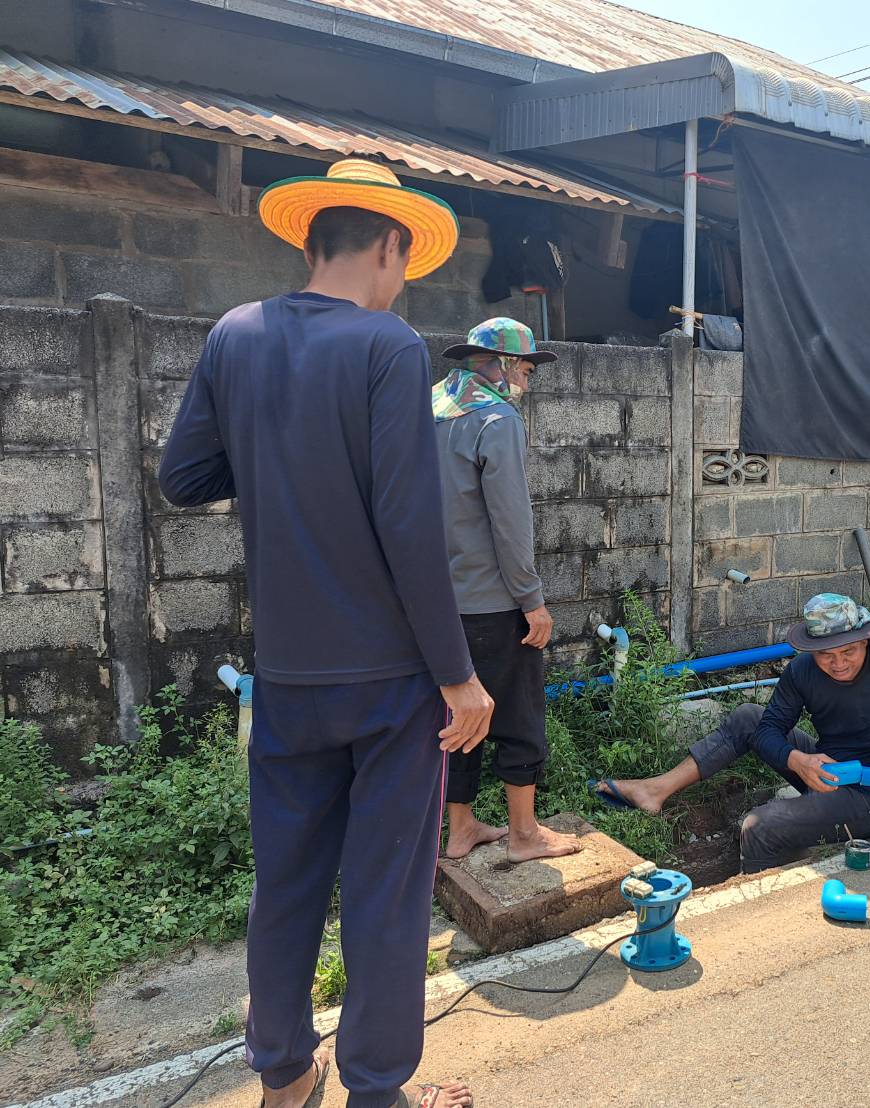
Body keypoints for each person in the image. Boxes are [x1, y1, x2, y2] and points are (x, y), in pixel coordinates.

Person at [160, 158, 486, 1108]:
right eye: (405, 263)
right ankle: (375, 1091)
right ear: (389, 245)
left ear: (313, 241)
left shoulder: (235, 333)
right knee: (384, 894)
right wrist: (458, 675)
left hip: (288, 676)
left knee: (287, 885)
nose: (401, 281)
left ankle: (285, 1074)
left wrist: (282, 459)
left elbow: (183, 478)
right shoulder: (389, 345)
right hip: (389, 680)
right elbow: (408, 525)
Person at [595, 594, 870, 872]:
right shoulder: (803, 672)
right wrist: (798, 760)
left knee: (760, 826)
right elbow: (767, 732)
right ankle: (655, 791)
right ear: (812, 650)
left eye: (848, 652)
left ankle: (757, 905)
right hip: (826, 772)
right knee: (748, 717)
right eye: (826, 654)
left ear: (864, 641)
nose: (838, 663)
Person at [432, 317, 581, 863]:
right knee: (517, 712)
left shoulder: (427, 411)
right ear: (504, 365)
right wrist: (532, 601)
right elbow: (511, 522)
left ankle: (461, 829)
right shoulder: (497, 419)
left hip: (433, 602)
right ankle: (524, 834)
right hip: (491, 602)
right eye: (527, 369)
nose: (528, 380)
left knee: (460, 715)